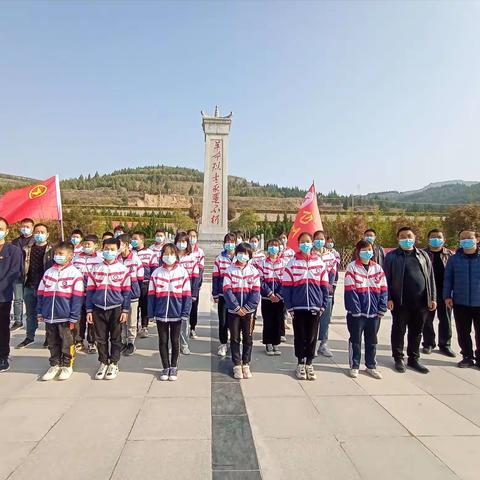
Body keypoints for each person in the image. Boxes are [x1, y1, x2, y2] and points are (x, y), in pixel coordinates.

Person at [384, 227, 436, 374]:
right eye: (402, 236)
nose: (406, 239)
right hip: (400, 302)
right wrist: (388, 297)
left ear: (414, 238)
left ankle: (414, 359)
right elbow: (386, 279)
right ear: (398, 239)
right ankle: (398, 358)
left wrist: (432, 297)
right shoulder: (392, 256)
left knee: (417, 331)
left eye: (409, 236)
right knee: (399, 330)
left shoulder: (423, 255)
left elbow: (430, 278)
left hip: (421, 302)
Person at [282, 232, 329, 381]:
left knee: (312, 337)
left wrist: (323, 305)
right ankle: (300, 363)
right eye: (302, 241)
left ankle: (309, 363)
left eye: (308, 241)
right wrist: (289, 307)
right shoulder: (292, 263)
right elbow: (287, 288)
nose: (305, 244)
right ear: (298, 243)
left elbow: (324, 287)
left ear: (312, 243)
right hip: (298, 307)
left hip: (315, 307)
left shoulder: (319, 263)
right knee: (299, 336)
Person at [37, 242, 84, 381]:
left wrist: (74, 317)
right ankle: (54, 364)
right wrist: (40, 312)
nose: (57, 256)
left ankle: (67, 365)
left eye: (61, 254)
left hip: (65, 317)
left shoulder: (75, 274)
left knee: (67, 342)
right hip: (50, 316)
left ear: (70, 256)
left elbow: (77, 298)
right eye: (56, 254)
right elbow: (40, 293)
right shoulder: (48, 272)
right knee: (52, 341)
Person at [86, 237, 131, 380]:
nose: (109, 252)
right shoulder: (95, 269)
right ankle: (103, 362)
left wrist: (125, 310)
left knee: (116, 337)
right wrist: (89, 310)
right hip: (98, 308)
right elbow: (90, 291)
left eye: (112, 249)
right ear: (102, 249)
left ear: (117, 250)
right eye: (106, 249)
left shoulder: (123, 269)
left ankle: (114, 363)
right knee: (100, 338)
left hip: (116, 308)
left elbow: (126, 292)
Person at [344, 240, 388, 379]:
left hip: (374, 313)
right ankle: (354, 365)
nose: (367, 252)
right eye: (364, 249)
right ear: (358, 251)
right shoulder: (352, 268)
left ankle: (371, 365)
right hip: (357, 314)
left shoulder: (378, 269)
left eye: (369, 249)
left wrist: (381, 308)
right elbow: (351, 290)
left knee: (372, 340)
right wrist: (356, 310)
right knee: (355, 340)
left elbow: (384, 289)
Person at [148, 243, 192, 381]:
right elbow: (151, 295)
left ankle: (174, 366)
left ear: (176, 255)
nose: (169, 257)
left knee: (175, 341)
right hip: (161, 313)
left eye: (171, 254)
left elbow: (187, 295)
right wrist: (151, 313)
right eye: (166, 254)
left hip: (177, 313)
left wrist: (185, 313)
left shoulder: (182, 272)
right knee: (163, 341)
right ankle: (165, 366)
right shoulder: (156, 273)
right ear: (161, 256)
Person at [223, 242, 261, 379]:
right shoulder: (229, 271)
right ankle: (237, 364)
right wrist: (236, 307)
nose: (242, 255)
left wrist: (246, 308)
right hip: (234, 312)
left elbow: (256, 292)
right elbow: (227, 291)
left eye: (246, 253)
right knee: (234, 338)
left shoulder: (254, 272)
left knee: (248, 338)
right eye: (240, 252)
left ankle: (246, 363)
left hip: (249, 312)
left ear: (250, 255)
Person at [444, 229, 480, 368]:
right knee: (463, 331)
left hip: (478, 302)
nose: (465, 240)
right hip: (460, 301)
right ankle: (467, 356)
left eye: (469, 238)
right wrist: (447, 296)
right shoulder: (454, 259)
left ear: (477, 239)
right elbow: (448, 279)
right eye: (462, 238)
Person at [16, 223, 54, 349]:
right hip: (29, 285)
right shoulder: (26, 249)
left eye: (42, 232)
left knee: (47, 314)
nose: (39, 234)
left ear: (47, 234)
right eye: (37, 232)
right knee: (30, 314)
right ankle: (29, 337)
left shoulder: (52, 250)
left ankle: (49, 338)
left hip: (46, 288)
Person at [422, 229, 455, 357]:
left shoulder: (450, 255)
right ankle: (428, 343)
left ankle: (445, 344)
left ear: (444, 239)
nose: (436, 239)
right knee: (427, 319)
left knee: (445, 319)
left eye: (439, 236)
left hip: (445, 292)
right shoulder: (422, 254)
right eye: (433, 236)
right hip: (428, 292)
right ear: (428, 239)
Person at [72, 234, 102, 353]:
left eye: (88, 244)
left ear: (95, 245)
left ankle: (92, 342)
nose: (86, 246)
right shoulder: (77, 258)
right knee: (79, 318)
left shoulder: (99, 258)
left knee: (92, 318)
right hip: (79, 293)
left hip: (93, 293)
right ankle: (79, 341)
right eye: (84, 244)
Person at [0, 218, 23, 372]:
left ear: (7, 231)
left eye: (1, 228)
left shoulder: (13, 250)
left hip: (2, 296)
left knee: (2, 328)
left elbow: (14, 272)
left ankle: (3, 356)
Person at [257, 238, 286, 356]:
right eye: (271, 245)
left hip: (279, 298)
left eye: (276, 245)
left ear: (279, 248)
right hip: (266, 298)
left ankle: (276, 343)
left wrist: (278, 295)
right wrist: (269, 293)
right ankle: (268, 343)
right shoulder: (262, 263)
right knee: (268, 320)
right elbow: (260, 280)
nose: (273, 248)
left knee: (278, 320)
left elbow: (286, 281)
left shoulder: (284, 264)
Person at [117, 234, 144, 356]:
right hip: (119, 295)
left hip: (132, 294)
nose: (117, 247)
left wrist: (134, 290)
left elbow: (140, 278)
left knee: (132, 320)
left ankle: (131, 343)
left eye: (119, 244)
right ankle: (122, 341)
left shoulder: (135, 259)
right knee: (121, 319)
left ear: (126, 245)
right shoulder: (116, 258)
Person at [312, 230, 337, 358]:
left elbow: (333, 271)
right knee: (314, 318)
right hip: (314, 291)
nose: (320, 241)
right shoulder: (310, 254)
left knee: (325, 319)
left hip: (326, 291)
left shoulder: (331, 255)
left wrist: (329, 285)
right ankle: (312, 344)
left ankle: (323, 344)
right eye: (317, 239)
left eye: (322, 239)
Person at [175, 231, 200, 354]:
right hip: (173, 294)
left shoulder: (192, 258)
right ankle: (174, 343)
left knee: (184, 319)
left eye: (184, 241)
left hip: (186, 294)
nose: (181, 244)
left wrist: (193, 294)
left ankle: (184, 344)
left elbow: (196, 278)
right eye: (179, 241)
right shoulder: (171, 257)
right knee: (172, 320)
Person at [212, 233, 237, 357]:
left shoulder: (240, 257)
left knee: (234, 321)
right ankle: (223, 343)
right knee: (222, 321)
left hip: (236, 296)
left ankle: (234, 342)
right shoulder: (219, 259)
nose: (230, 244)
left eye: (232, 241)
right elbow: (216, 278)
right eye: (227, 241)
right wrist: (215, 294)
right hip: (223, 295)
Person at [10, 217, 35, 331]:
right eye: (23, 227)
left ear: (32, 228)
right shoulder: (15, 242)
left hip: (31, 275)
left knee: (31, 300)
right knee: (18, 299)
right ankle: (18, 321)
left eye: (27, 227)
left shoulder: (35, 242)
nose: (25, 229)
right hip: (17, 274)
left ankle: (34, 321)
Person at [131, 231, 155, 339]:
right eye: (132, 239)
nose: (133, 241)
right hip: (133, 283)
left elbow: (154, 269)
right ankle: (134, 327)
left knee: (144, 305)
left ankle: (144, 327)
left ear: (142, 240)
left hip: (145, 283)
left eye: (135, 238)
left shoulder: (150, 253)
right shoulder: (130, 253)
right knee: (134, 306)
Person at [188, 229, 205, 338]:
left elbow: (201, 270)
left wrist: (197, 284)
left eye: (194, 236)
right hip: (181, 285)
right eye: (190, 236)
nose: (192, 238)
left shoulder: (200, 252)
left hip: (194, 283)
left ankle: (192, 327)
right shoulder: (183, 251)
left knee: (194, 307)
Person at [326, 235, 341, 306]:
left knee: (331, 295)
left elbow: (337, 264)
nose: (330, 243)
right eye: (328, 242)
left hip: (333, 277)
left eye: (331, 242)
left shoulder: (336, 253)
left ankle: (329, 312)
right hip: (324, 277)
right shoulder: (322, 252)